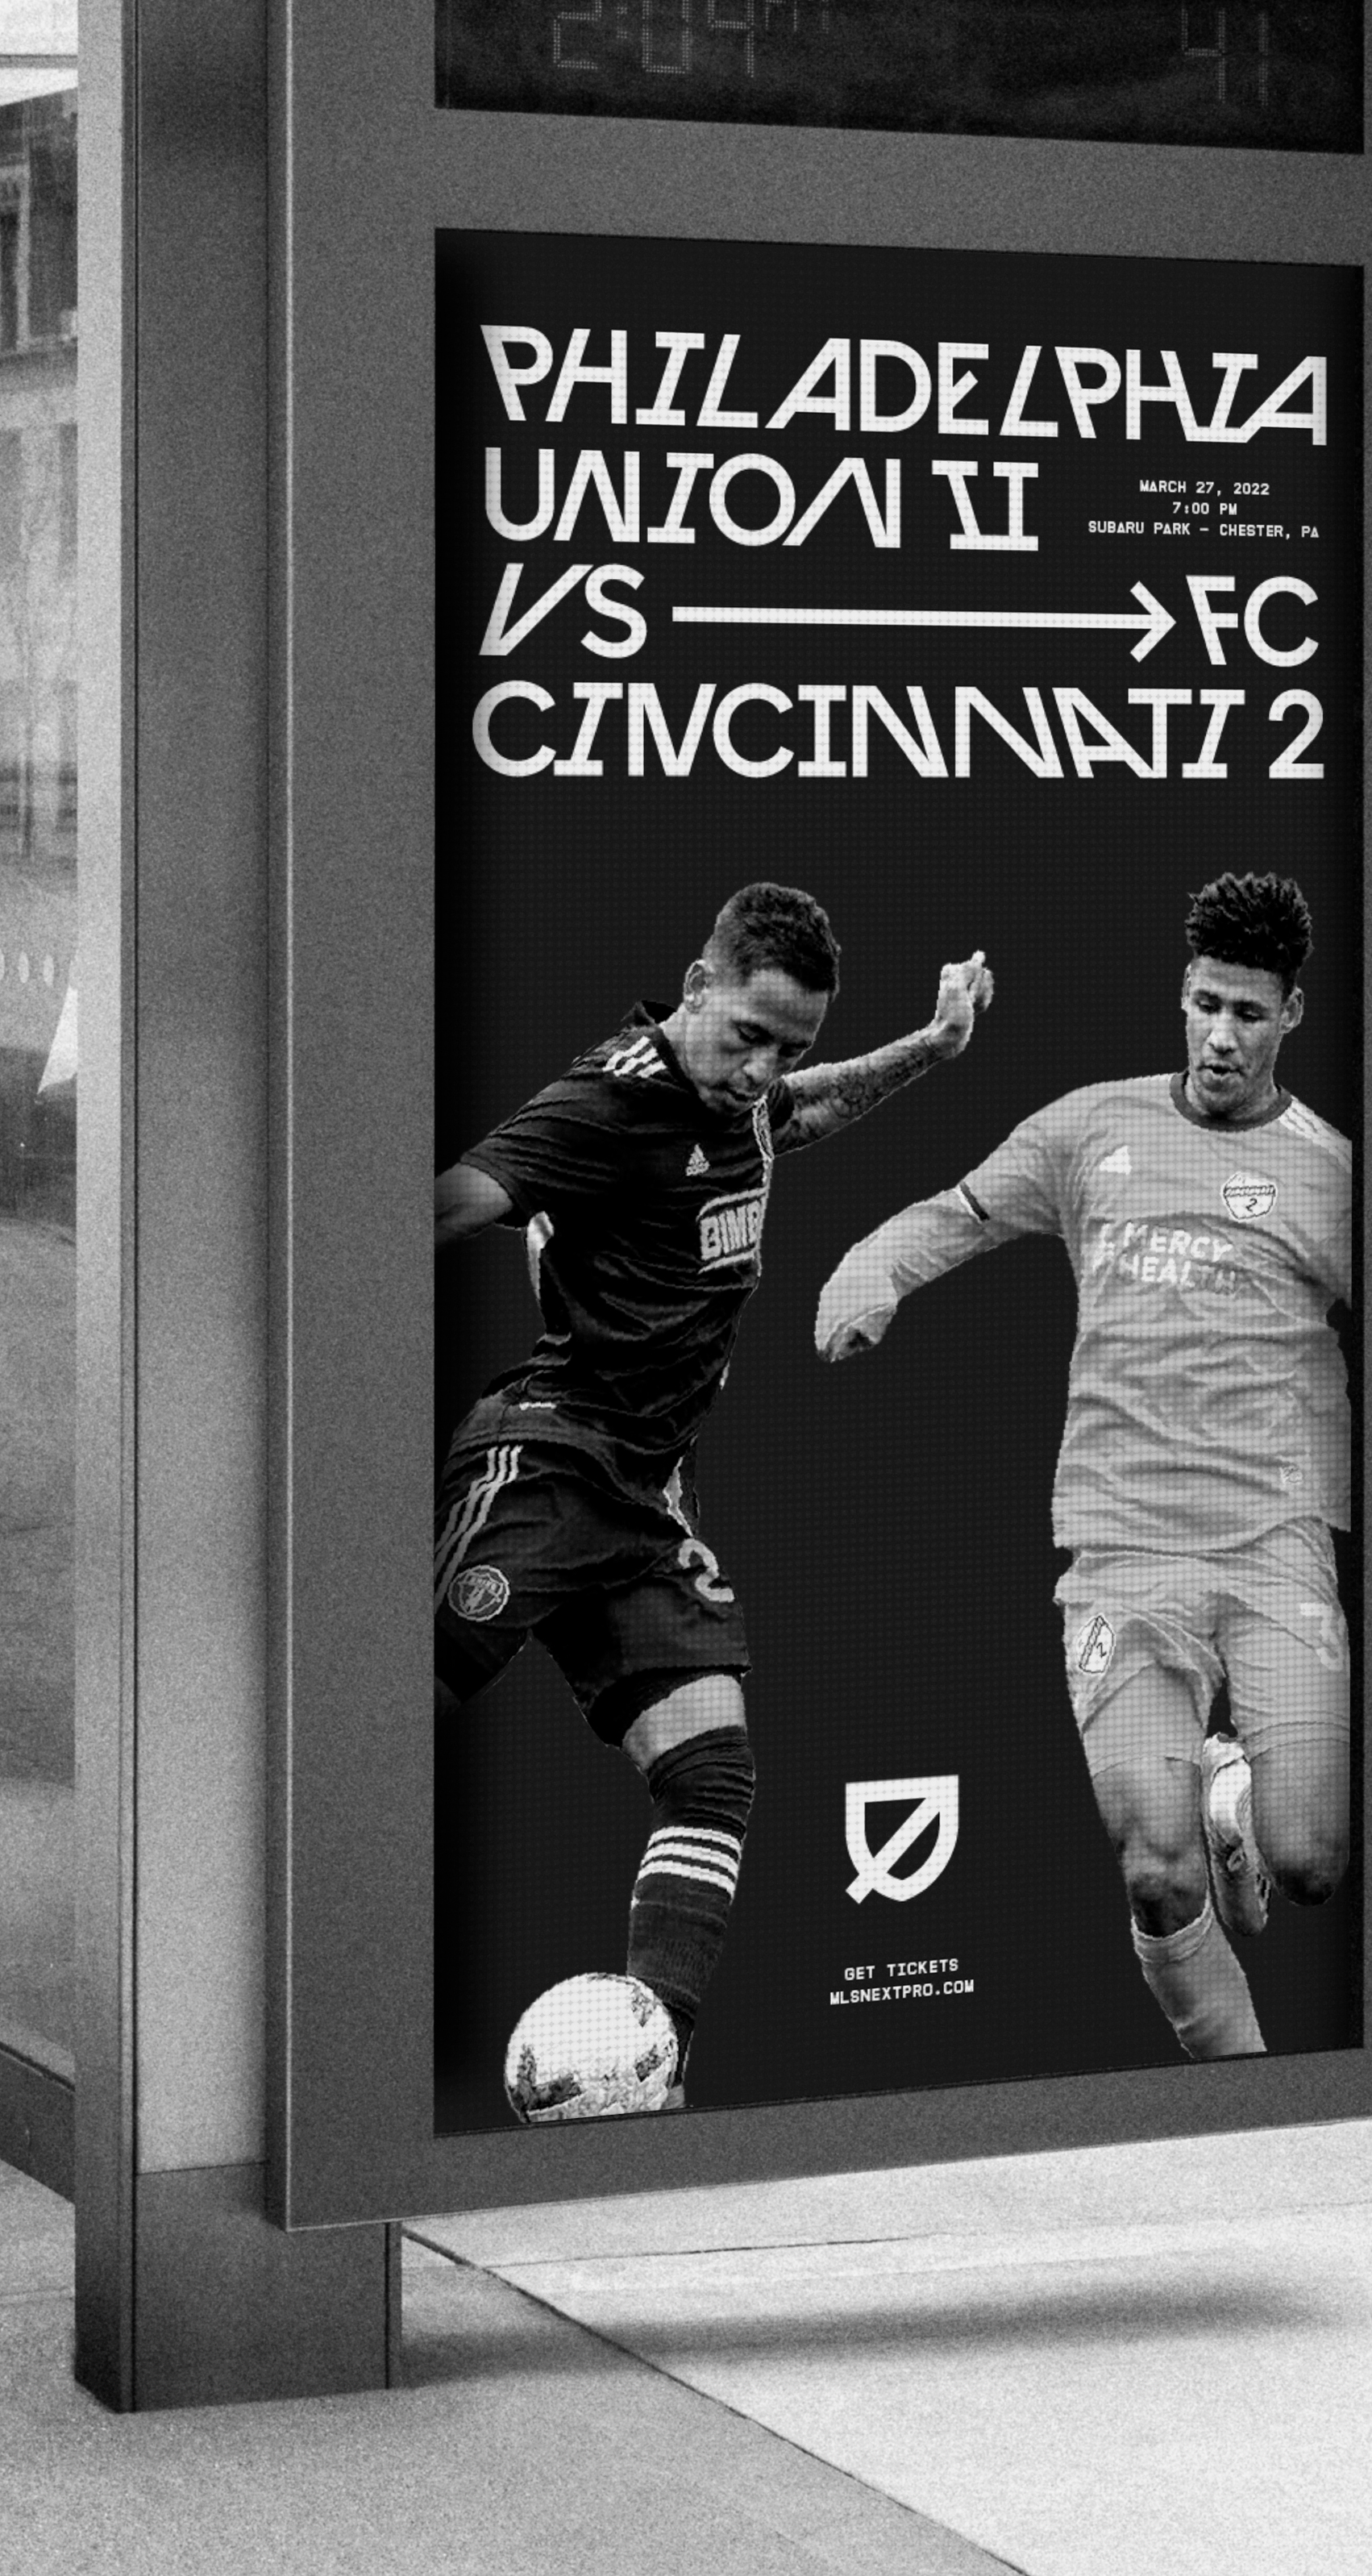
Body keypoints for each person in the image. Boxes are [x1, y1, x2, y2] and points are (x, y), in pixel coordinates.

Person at [434, 882, 993, 2111]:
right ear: (695, 987)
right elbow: (445, 1205)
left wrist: (933, 1047)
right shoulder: (607, 1103)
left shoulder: (731, 1098)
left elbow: (793, 1112)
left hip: (641, 1499)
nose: (761, 1070)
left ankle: (648, 2072)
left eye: (783, 1045)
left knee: (713, 1771)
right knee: (375, 1725)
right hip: (548, 1460)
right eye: (746, 1035)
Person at [813, 870, 1350, 2063]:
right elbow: (955, 1211)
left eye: (1249, 1015)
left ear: (1289, 1017)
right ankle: (1243, 2095)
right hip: (1118, 1557)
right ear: (1179, 994)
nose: (1221, 1036)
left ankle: (1238, 1804)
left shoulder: (1330, 1172)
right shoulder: (1087, 1127)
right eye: (1205, 1004)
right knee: (1157, 1874)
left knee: (1309, 1862)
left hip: (1273, 1549)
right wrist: (873, 1268)